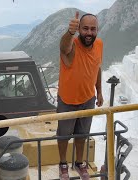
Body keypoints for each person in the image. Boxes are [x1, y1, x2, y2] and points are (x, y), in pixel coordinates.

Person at [57, 11, 104, 180]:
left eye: (93, 29)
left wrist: (99, 91)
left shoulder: (99, 44)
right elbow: (63, 48)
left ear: (97, 29)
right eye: (85, 29)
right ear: (79, 29)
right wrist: (70, 32)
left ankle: (79, 163)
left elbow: (98, 67)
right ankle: (63, 163)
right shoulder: (73, 44)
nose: (89, 33)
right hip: (67, 100)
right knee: (63, 135)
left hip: (88, 99)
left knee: (82, 134)